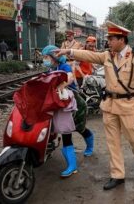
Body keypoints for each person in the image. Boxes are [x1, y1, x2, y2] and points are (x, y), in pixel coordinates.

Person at [55, 21, 134, 190]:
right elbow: (88, 55)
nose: (108, 42)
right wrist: (68, 51)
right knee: (112, 142)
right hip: (109, 105)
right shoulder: (107, 56)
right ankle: (118, 175)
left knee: (133, 136)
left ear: (121, 40)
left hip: (128, 105)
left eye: (111, 39)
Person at [41, 45, 95, 177]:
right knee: (65, 132)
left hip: (74, 105)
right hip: (61, 105)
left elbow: (69, 77)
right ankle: (72, 165)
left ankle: (86, 151)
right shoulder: (51, 69)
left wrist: (59, 86)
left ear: (55, 57)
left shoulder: (64, 67)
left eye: (46, 57)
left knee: (80, 128)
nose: (45, 60)